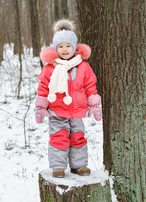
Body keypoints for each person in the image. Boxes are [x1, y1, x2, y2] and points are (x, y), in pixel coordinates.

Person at [35, 19, 102, 178]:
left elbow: (90, 86)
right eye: (60, 46)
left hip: (78, 111)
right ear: (55, 48)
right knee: (59, 138)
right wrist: (40, 107)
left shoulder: (83, 67)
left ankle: (79, 165)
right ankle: (58, 166)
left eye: (68, 46)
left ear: (74, 47)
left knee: (78, 137)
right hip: (58, 111)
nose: (64, 50)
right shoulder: (50, 68)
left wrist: (94, 105)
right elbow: (43, 88)